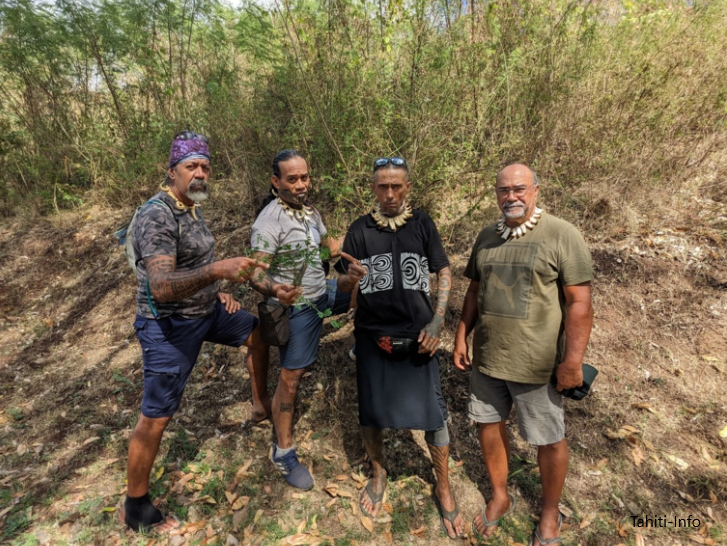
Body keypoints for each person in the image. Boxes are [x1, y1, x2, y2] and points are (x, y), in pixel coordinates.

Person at [122, 131, 268, 532]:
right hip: (168, 327)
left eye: (205, 167)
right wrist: (217, 271)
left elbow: (191, 264)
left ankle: (261, 405)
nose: (200, 174)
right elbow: (162, 285)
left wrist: (215, 290)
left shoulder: (189, 208)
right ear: (172, 173)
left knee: (255, 331)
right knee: (156, 416)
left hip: (207, 311)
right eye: (191, 167)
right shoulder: (159, 215)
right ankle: (135, 505)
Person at [453, 163, 594, 546]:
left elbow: (579, 302)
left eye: (519, 189)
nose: (511, 197)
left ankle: (549, 514)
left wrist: (573, 362)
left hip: (537, 364)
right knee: (488, 425)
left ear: (535, 190)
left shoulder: (562, 235)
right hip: (488, 360)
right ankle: (501, 496)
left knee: (548, 439)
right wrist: (462, 334)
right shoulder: (487, 237)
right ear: (495, 194)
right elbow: (473, 291)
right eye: (503, 190)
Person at [337, 157, 465, 539]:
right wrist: (350, 279)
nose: (390, 194)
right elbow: (343, 285)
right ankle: (378, 472)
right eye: (382, 187)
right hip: (372, 335)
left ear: (407, 187)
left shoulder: (423, 224)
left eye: (397, 186)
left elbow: (443, 270)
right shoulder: (359, 230)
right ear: (373, 189)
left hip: (418, 336)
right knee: (371, 410)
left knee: (434, 413)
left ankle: (442, 485)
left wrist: (437, 321)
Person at [248, 150, 350, 490]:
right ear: (276, 182)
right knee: (291, 378)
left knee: (369, 287)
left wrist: (333, 248)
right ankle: (283, 451)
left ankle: (361, 350)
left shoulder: (310, 213)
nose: (301, 184)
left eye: (304, 177)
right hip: (299, 308)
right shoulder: (269, 221)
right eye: (292, 179)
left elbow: (320, 249)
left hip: (324, 293)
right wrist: (276, 289)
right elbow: (254, 274)